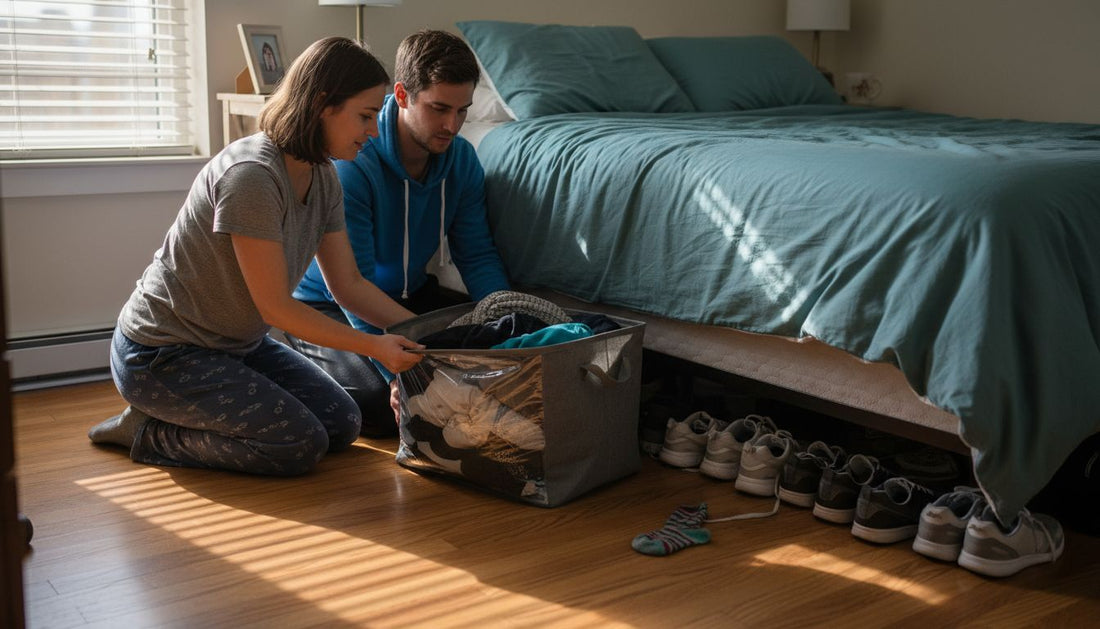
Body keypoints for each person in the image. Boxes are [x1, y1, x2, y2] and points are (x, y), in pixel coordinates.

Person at [87, 37, 424, 476]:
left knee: (343, 425)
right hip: (160, 355)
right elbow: (276, 308)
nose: (375, 130)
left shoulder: (324, 176)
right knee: (297, 444)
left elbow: (349, 286)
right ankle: (146, 430)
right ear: (323, 104)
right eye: (365, 116)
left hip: (235, 346)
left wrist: (421, 338)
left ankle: (178, 416)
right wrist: (375, 347)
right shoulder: (252, 176)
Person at [290, 29, 510, 437]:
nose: (452, 125)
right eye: (439, 108)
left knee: (484, 373)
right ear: (404, 95)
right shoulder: (354, 160)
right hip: (331, 305)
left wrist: (506, 322)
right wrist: (393, 371)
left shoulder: (461, 159)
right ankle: (294, 356)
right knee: (383, 405)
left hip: (406, 298)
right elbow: (353, 287)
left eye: (463, 111)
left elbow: (477, 255)